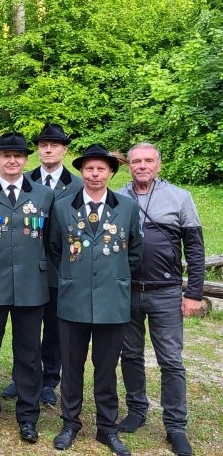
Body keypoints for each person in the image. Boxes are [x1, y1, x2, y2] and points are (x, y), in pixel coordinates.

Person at [49, 144, 143, 455]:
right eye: (89, 168)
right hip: (73, 299)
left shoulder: (127, 207)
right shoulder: (63, 206)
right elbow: (55, 249)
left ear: (111, 172)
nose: (95, 174)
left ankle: (107, 428)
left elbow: (135, 252)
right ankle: (70, 423)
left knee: (106, 368)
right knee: (71, 365)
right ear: (81, 171)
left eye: (101, 169)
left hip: (112, 301)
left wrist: (112, 276)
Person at [117, 142, 204, 456]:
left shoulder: (180, 197)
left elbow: (194, 248)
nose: (142, 166)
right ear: (128, 165)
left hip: (165, 292)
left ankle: (175, 425)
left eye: (148, 160)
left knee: (171, 361)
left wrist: (193, 292)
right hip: (126, 291)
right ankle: (137, 411)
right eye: (136, 161)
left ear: (159, 164)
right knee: (130, 356)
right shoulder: (118, 197)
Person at [0, 131, 54, 443]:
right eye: (6, 155)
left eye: (18, 155)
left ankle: (28, 416)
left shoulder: (44, 195)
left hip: (32, 284)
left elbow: (53, 242)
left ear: (26, 159)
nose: (12, 160)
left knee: (29, 354)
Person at [3, 123, 83, 405]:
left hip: (60, 268)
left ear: (64, 149)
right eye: (43, 145)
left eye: (54, 145)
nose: (48, 149)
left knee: (54, 328)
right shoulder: (22, 180)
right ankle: (21, 376)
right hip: (27, 269)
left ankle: (49, 379)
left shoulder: (78, 185)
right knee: (25, 329)